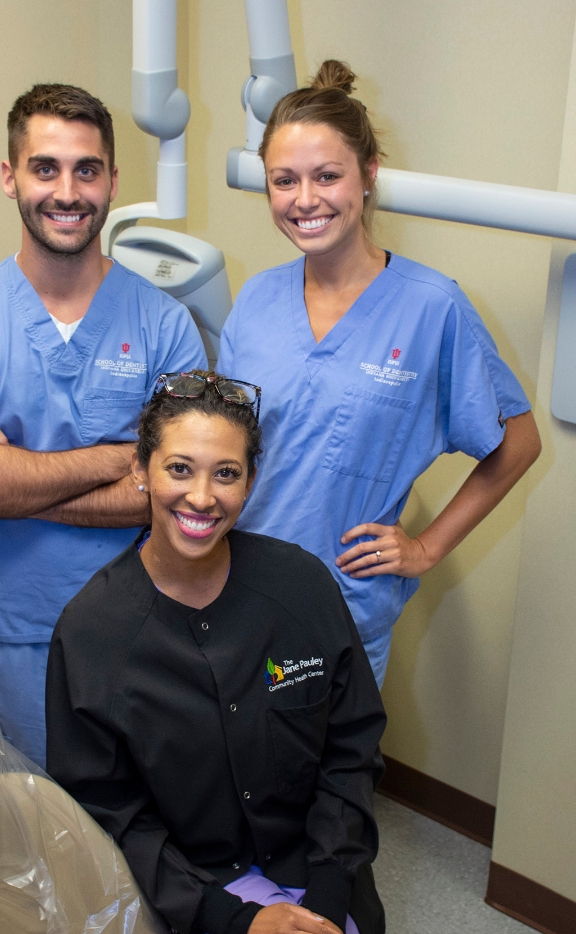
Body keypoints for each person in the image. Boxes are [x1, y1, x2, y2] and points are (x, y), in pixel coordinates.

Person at [46, 372, 420, 934]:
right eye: (178, 468)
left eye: (226, 473)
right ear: (140, 470)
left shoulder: (299, 588)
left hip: (315, 873)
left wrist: (324, 902)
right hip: (192, 899)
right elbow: (113, 824)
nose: (201, 496)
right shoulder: (93, 635)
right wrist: (237, 922)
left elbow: (351, 753)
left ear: (251, 480)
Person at [218, 60, 541, 685]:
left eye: (327, 176)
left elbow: (518, 443)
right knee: (227, 775)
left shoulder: (432, 306)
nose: (304, 200)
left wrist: (425, 548)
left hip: (341, 611)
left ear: (368, 175)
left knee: (318, 776)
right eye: (284, 180)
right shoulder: (256, 301)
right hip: (233, 591)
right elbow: (229, 445)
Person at [0, 84, 206, 766]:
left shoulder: (165, 324)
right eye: (45, 168)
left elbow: (179, 495)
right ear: (10, 176)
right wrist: (118, 459)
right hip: (21, 640)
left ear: (111, 181)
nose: (67, 191)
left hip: (149, 629)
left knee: (147, 837)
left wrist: (19, 478)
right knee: (37, 840)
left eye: (87, 169)